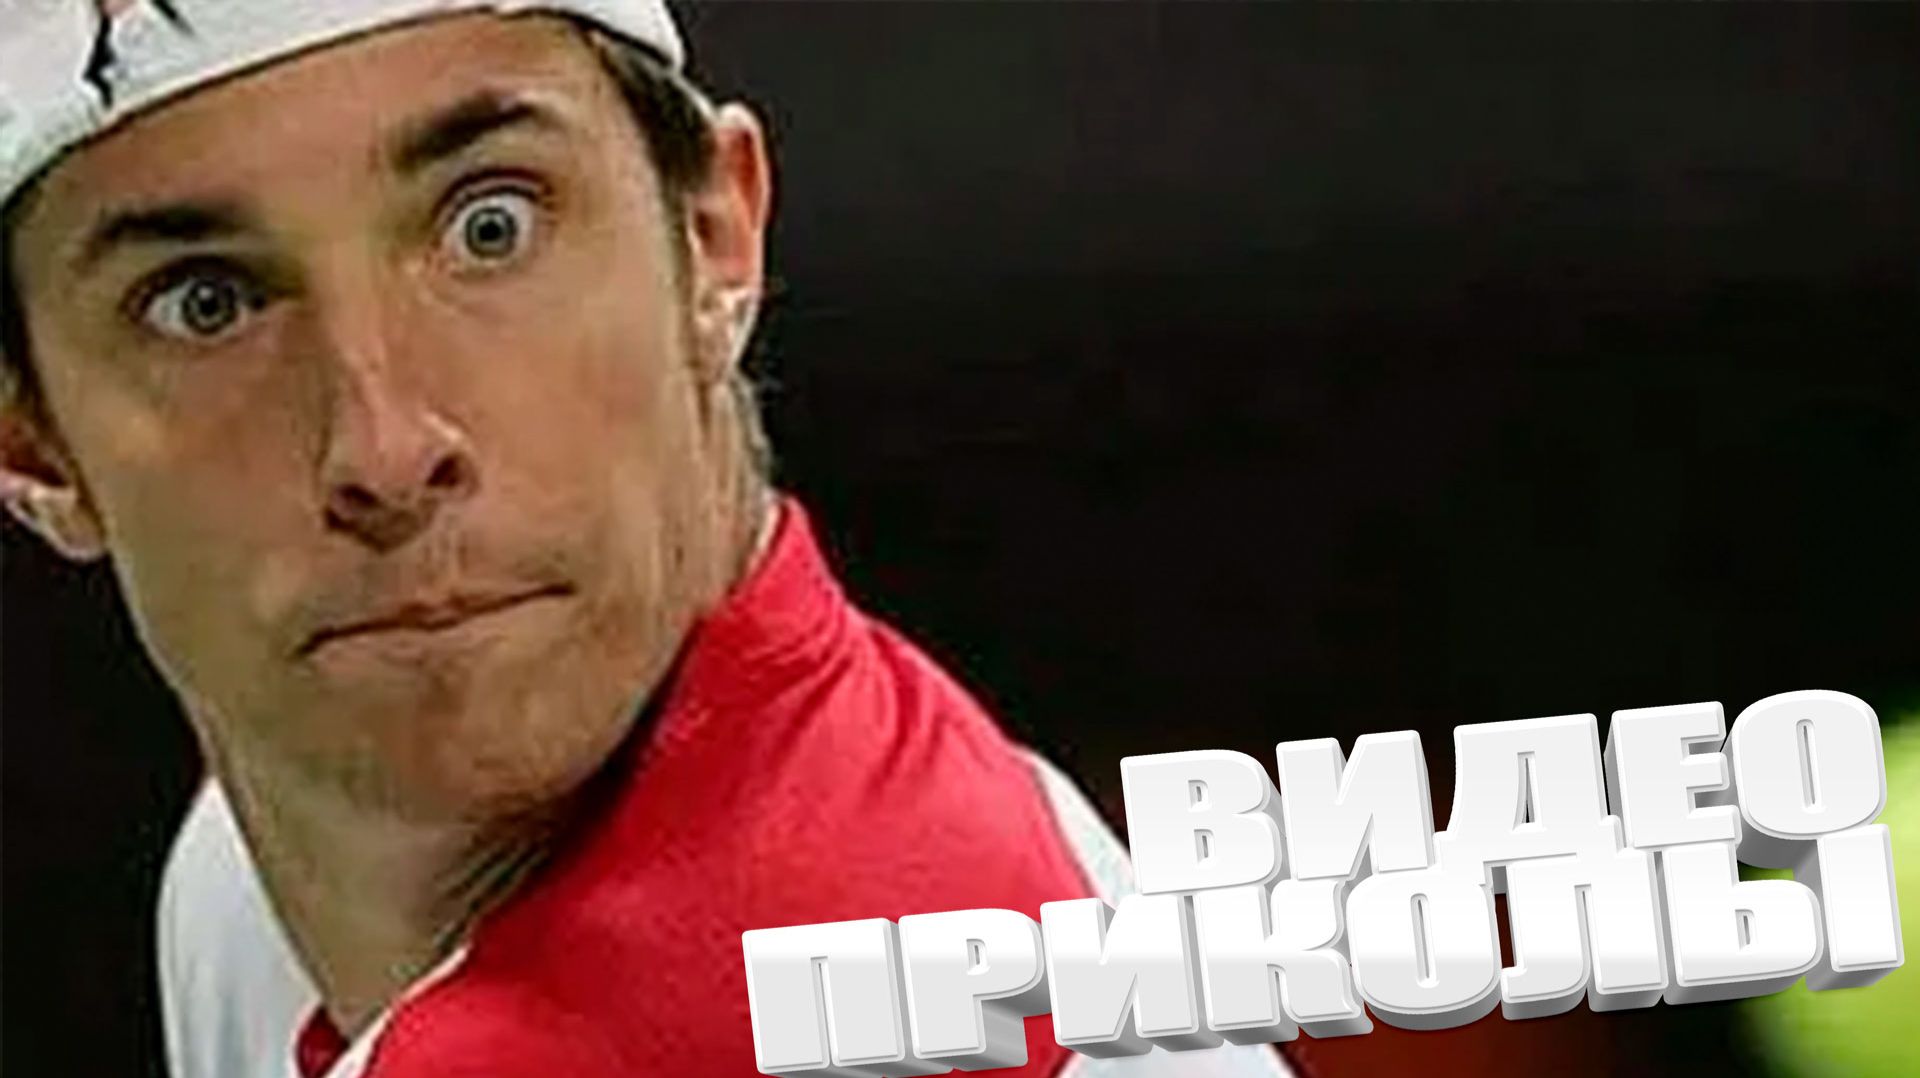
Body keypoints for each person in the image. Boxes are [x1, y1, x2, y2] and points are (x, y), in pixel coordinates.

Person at [0, 4, 1294, 1076]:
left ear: (714, 241)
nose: (385, 449)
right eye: (206, 304)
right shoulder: (253, 871)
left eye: (491, 225)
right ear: (32, 443)